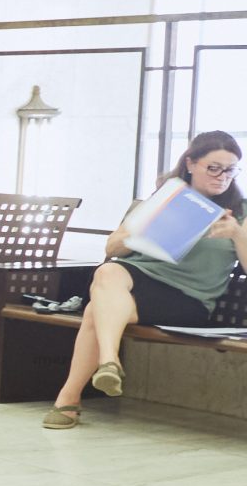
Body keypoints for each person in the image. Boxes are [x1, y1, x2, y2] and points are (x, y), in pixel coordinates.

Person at [46, 130, 246, 428]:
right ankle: (108, 362)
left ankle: (71, 397)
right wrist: (145, 230)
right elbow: (112, 249)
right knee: (108, 271)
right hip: (136, 279)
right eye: (213, 168)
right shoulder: (162, 200)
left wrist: (237, 235)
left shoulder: (240, 213)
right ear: (191, 164)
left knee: (94, 311)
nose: (222, 177)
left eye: (230, 170)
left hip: (188, 298)